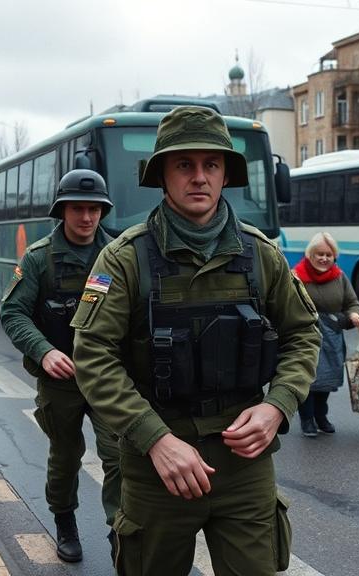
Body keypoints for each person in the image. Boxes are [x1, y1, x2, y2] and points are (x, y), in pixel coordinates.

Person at [71, 106, 320, 575]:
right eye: (184, 164)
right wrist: (155, 439)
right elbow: (94, 358)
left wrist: (277, 406)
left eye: (211, 164)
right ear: (163, 174)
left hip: (245, 463)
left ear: (226, 174)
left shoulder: (261, 255)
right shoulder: (124, 259)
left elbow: (303, 334)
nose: (199, 177)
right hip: (157, 467)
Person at [0, 169, 121, 563]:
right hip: (61, 380)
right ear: (62, 211)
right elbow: (14, 312)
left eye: (94, 209)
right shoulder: (39, 258)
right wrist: (44, 351)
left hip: (109, 377)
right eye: (77, 209)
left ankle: (121, 531)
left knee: (119, 456)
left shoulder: (119, 254)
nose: (87, 218)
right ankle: (64, 522)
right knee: (65, 455)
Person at [292, 232, 359, 438]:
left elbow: (352, 303)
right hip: (305, 336)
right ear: (310, 255)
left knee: (326, 382)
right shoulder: (295, 276)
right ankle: (307, 419)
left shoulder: (340, 277)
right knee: (307, 379)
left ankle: (321, 416)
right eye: (319, 254)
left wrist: (354, 315)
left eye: (328, 255)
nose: (324, 259)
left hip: (331, 337)